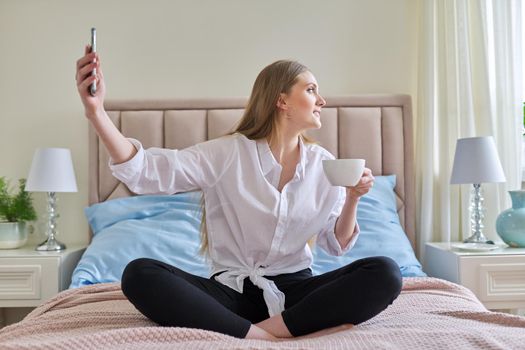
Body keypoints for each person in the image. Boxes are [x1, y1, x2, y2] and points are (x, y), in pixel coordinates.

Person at [75, 45, 402, 341]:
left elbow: (337, 244)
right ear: (282, 100)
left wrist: (354, 197)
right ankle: (271, 334)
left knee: (385, 273)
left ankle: (258, 333)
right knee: (139, 274)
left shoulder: (324, 164)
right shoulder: (227, 153)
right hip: (228, 296)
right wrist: (96, 113)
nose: (322, 100)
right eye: (312, 89)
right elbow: (147, 172)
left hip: (297, 292)